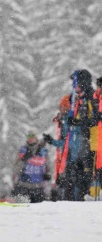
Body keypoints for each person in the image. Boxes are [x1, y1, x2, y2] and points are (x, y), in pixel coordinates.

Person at [43, 70, 99, 201]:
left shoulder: (92, 97)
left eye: (77, 83)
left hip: (89, 146)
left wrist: (79, 122)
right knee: (71, 180)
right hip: (75, 150)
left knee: (84, 180)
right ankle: (69, 203)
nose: (75, 87)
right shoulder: (78, 100)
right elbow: (67, 137)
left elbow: (96, 120)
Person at [11, 133, 50, 203]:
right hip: (23, 186)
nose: (30, 139)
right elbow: (16, 169)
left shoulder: (43, 151)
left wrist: (48, 175)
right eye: (28, 136)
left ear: (36, 138)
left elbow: (49, 167)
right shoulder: (23, 150)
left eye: (32, 136)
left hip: (39, 187)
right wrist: (24, 159)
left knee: (39, 211)